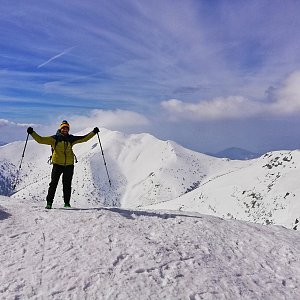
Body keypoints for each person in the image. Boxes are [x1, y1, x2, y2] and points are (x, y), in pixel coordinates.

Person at [27, 120, 99, 209]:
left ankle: (67, 203)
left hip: (69, 165)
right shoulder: (55, 139)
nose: (65, 130)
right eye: (63, 128)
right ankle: (49, 203)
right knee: (53, 184)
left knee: (67, 185)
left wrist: (94, 132)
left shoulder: (71, 139)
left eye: (67, 128)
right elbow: (41, 140)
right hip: (57, 164)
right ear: (60, 129)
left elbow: (84, 139)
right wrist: (32, 133)